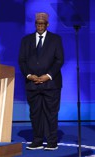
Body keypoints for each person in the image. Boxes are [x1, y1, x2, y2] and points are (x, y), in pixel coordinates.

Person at [18, 12, 64, 151]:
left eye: (42, 24)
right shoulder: (26, 40)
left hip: (51, 84)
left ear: (47, 24)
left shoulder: (55, 39)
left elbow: (59, 60)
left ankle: (51, 142)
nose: (40, 26)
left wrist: (48, 75)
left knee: (51, 113)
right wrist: (29, 75)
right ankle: (37, 140)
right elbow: (22, 60)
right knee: (35, 113)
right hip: (32, 84)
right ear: (35, 24)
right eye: (37, 24)